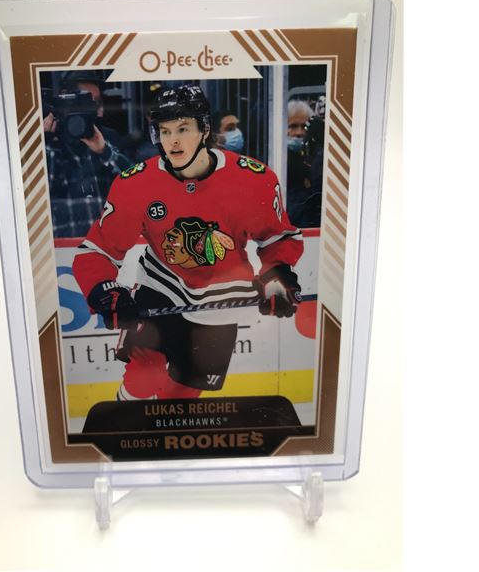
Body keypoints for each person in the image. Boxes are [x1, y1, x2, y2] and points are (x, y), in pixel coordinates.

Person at [72, 85, 304, 401]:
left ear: (204, 129)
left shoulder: (253, 180)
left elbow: (278, 238)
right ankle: (125, 422)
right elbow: (97, 251)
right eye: (165, 131)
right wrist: (103, 289)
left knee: (180, 402)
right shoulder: (136, 184)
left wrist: (277, 274)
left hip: (220, 305)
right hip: (159, 289)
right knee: (143, 381)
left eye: (183, 129)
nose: (173, 141)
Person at [43, 71, 133, 238]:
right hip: (65, 249)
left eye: (96, 103)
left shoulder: (108, 138)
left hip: (106, 245)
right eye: (84, 101)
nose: (93, 109)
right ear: (65, 100)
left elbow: (137, 185)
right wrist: (42, 141)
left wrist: (104, 151)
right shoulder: (51, 144)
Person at [285, 99, 323, 228]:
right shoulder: (280, 159)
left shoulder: (315, 155)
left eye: (304, 127)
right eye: (293, 126)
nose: (299, 133)